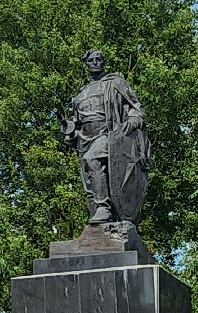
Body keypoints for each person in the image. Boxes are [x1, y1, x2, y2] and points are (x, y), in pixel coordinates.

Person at [61, 46, 150, 225]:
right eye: (91, 60)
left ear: (103, 62)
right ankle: (104, 222)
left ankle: (104, 208)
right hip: (85, 140)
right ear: (85, 64)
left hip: (109, 135)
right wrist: (71, 135)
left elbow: (136, 108)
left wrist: (133, 121)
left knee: (91, 159)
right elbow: (77, 125)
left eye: (98, 59)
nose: (95, 63)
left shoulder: (115, 83)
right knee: (90, 186)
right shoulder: (80, 95)